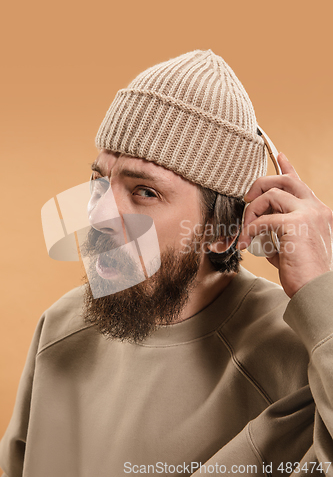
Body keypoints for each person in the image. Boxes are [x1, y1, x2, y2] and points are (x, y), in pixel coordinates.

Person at [0, 50, 332, 477]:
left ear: (222, 230)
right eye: (100, 181)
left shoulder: (302, 356)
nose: (97, 216)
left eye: (145, 192)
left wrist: (322, 293)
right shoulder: (61, 330)